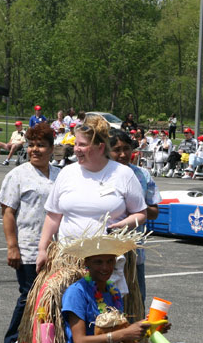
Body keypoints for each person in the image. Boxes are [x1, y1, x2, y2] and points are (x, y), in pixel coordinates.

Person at [59, 228, 199, 343]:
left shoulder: (112, 293)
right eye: (98, 262)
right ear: (87, 263)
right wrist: (126, 332)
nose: (105, 267)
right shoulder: (76, 293)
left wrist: (150, 330)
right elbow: (80, 342)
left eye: (110, 261)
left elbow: (124, 341)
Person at [36, 114, 147, 307]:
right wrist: (42, 249)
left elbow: (141, 214)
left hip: (108, 264)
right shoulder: (67, 173)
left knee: (107, 320)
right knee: (68, 317)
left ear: (100, 147)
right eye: (76, 144)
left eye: (81, 145)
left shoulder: (123, 174)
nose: (76, 149)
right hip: (68, 260)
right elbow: (53, 215)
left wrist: (122, 225)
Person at [0, 122, 60, 343]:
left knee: (52, 300)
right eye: (31, 145)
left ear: (52, 149)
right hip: (28, 249)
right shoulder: (18, 175)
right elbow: (8, 212)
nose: (35, 150)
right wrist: (12, 247)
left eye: (41, 145)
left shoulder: (59, 175)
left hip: (56, 251)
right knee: (28, 298)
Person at [109, 129, 162, 308]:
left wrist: (135, 205)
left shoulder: (142, 175)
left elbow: (154, 211)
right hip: (104, 251)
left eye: (127, 149)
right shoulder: (101, 174)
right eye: (117, 150)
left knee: (135, 302)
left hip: (134, 252)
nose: (123, 154)